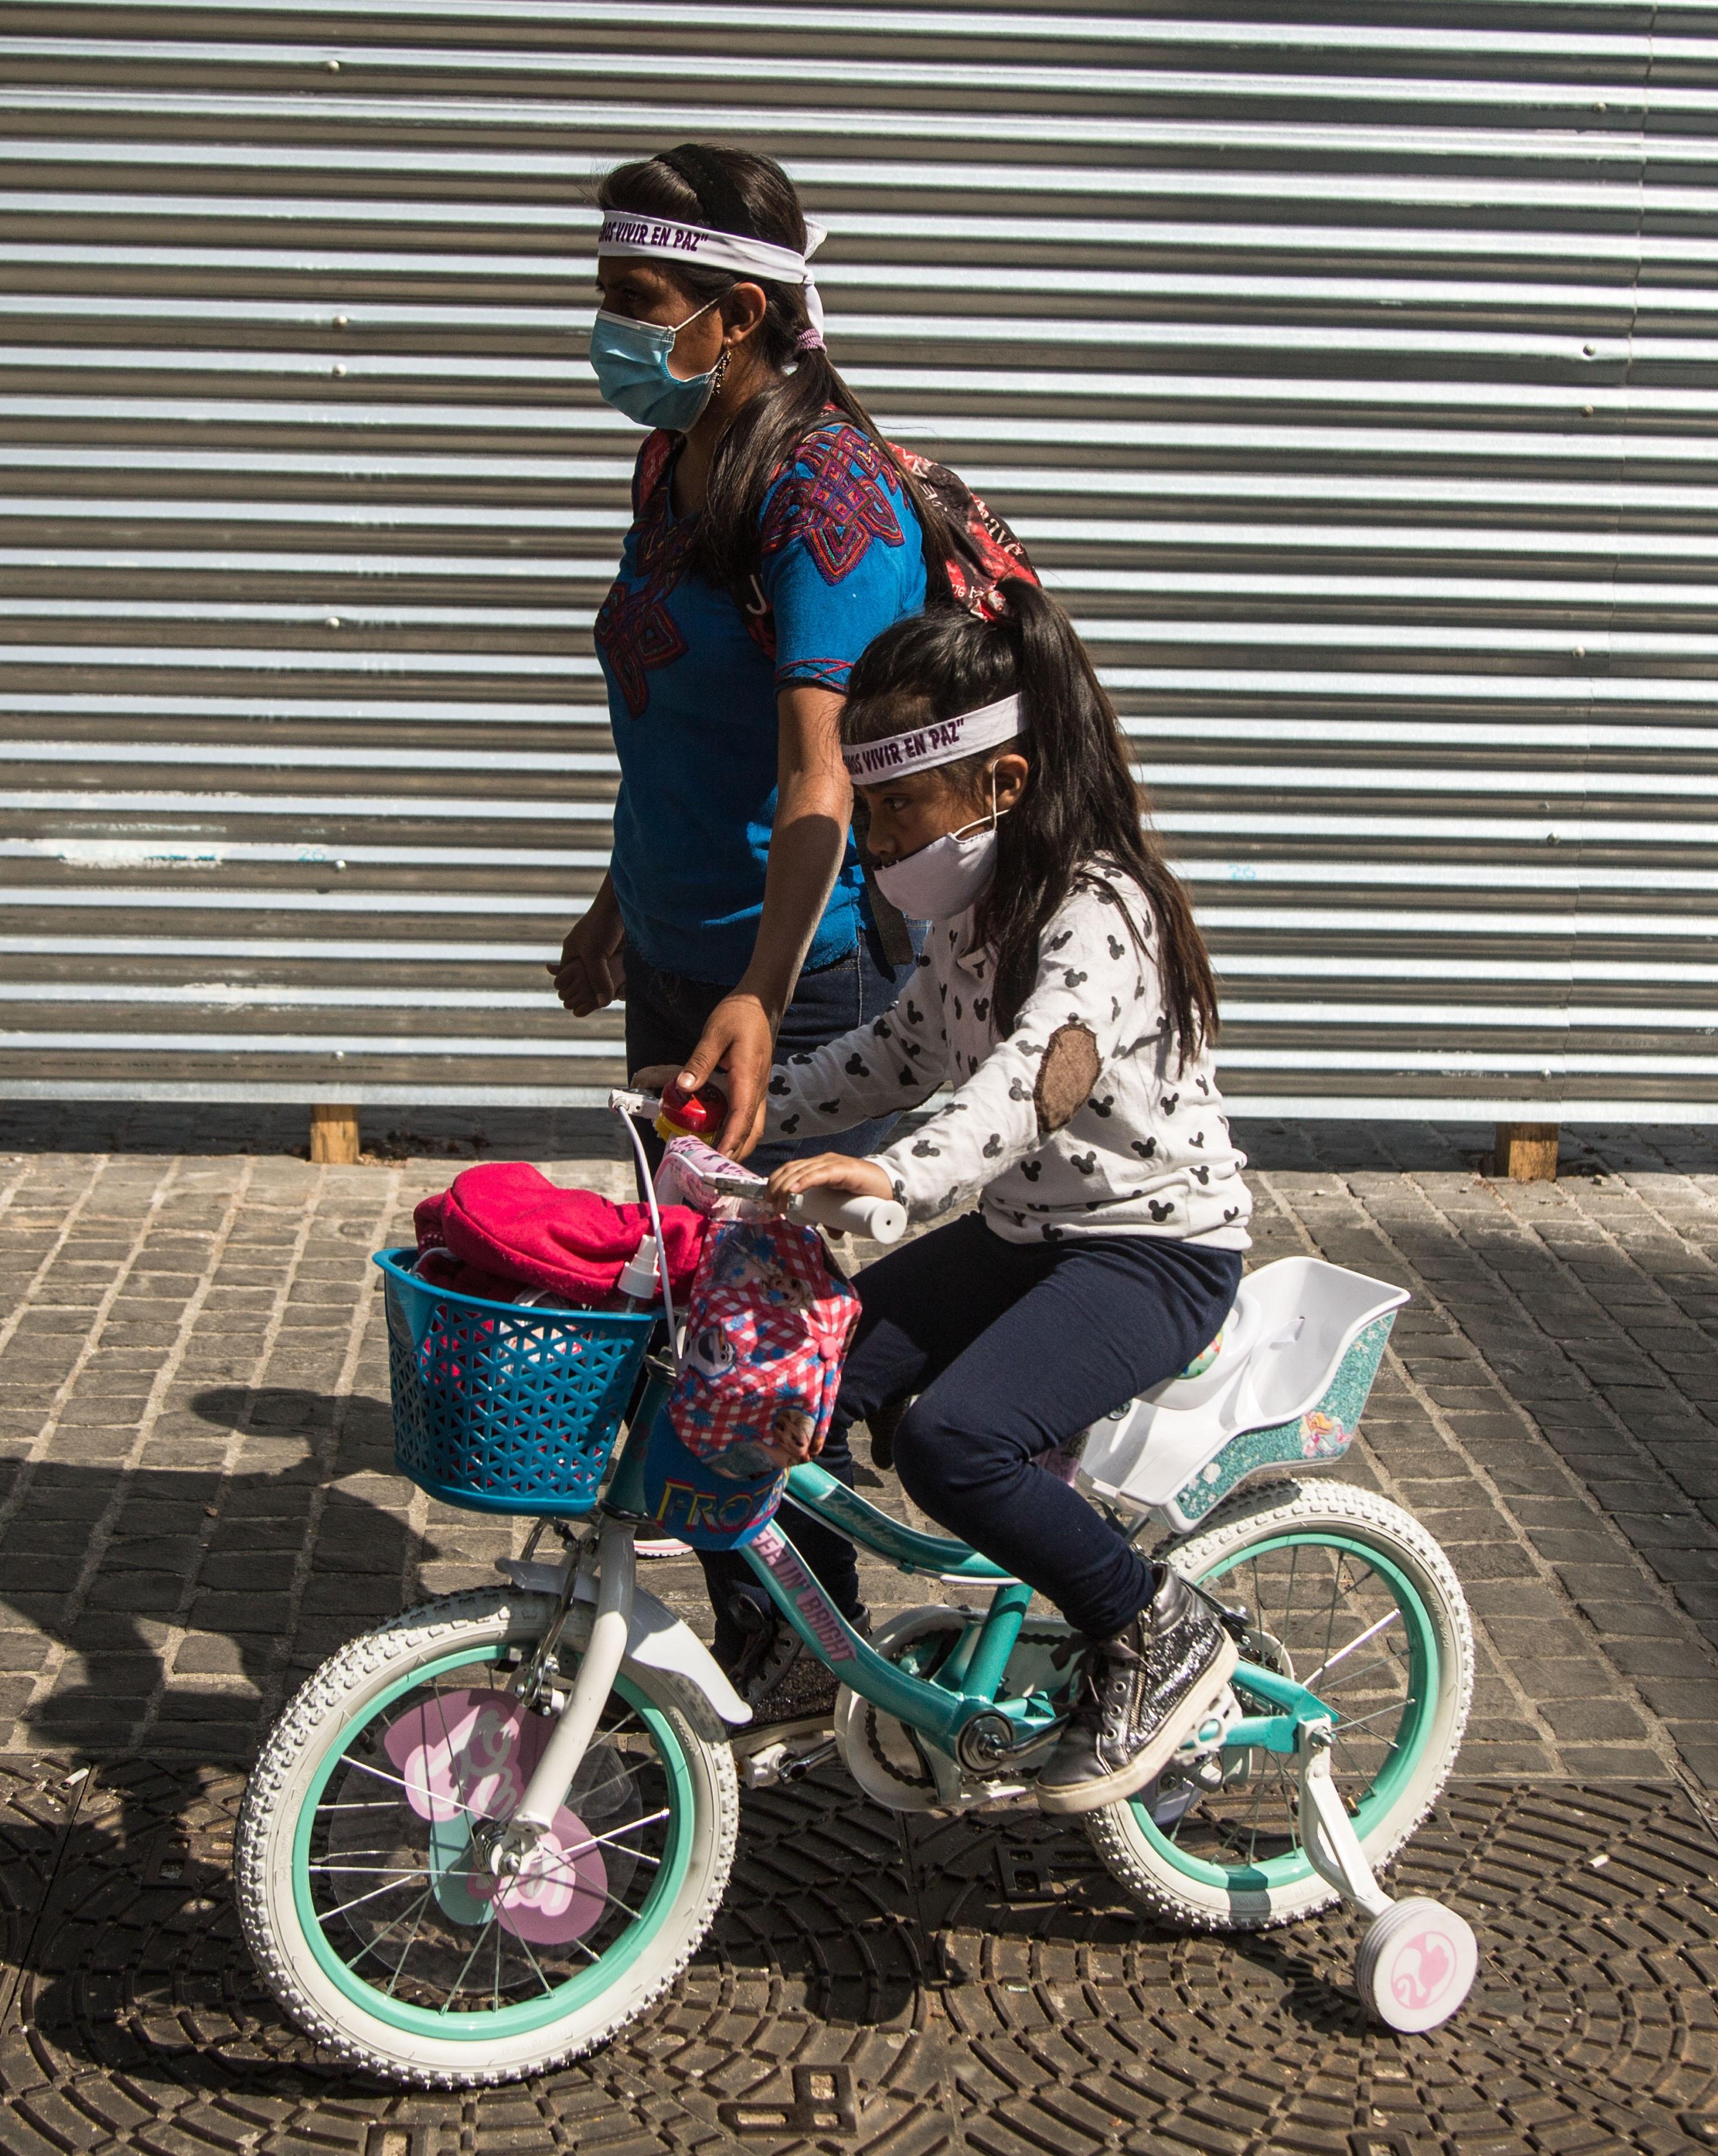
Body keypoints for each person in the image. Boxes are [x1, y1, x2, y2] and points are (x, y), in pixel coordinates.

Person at [731, 580, 1254, 1814]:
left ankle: (1158, 1624)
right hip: (1027, 1235)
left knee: (951, 1440)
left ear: (1002, 785)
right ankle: (814, 1652)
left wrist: (897, 1179)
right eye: (869, 810)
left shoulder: (1096, 909)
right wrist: (750, 1103)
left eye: (898, 807)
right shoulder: (967, 910)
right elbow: (905, 1053)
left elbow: (1037, 1080)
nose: (876, 840)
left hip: (1151, 1254)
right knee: (784, 1377)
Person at [558, 143, 956, 1727]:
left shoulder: (830, 499)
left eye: (631, 303)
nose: (601, 330)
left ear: (733, 314)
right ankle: (774, 1617)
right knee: (692, 1303)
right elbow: (667, 716)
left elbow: (821, 782)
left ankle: (799, 1645)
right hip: (681, 951)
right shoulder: (679, 461)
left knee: (745, 1327)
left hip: (793, 979)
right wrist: (614, 900)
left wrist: (754, 993)